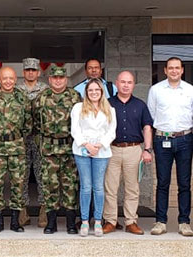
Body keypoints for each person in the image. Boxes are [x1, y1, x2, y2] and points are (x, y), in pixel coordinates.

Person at [146, 57, 193, 236]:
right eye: (171, 68)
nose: (174, 71)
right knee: (162, 182)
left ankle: (184, 222)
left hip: (185, 139)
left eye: (177, 68)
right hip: (162, 139)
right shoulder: (156, 90)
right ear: (165, 70)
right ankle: (160, 221)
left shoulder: (191, 91)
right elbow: (152, 114)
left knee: (184, 183)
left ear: (182, 70)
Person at [32, 65, 82, 234]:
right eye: (55, 78)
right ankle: (51, 223)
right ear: (50, 79)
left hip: (69, 148)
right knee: (50, 185)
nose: (58, 80)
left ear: (66, 79)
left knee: (70, 186)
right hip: (49, 149)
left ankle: (69, 223)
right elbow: (35, 124)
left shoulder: (75, 97)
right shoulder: (41, 98)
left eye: (61, 78)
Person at [104, 70, 153, 235]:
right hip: (111, 150)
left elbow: (147, 127)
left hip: (134, 150)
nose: (126, 85)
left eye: (129, 82)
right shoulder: (107, 104)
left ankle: (131, 221)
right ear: (116, 83)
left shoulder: (140, 105)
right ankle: (110, 221)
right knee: (110, 188)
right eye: (123, 82)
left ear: (133, 85)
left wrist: (147, 149)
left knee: (132, 188)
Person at [0, 66, 31, 233]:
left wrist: (17, 137)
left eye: (11, 78)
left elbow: (28, 124)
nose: (8, 81)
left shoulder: (22, 98)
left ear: (16, 79)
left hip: (17, 147)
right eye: (4, 78)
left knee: (17, 185)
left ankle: (15, 221)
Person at [71, 78, 117, 237]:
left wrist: (99, 145)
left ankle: (98, 220)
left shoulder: (110, 109)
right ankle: (84, 221)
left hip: (101, 152)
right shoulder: (78, 107)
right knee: (86, 186)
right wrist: (86, 144)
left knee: (98, 187)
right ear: (86, 92)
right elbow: (75, 130)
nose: (93, 93)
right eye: (90, 90)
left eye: (97, 90)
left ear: (102, 91)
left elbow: (112, 131)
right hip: (82, 150)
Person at [21, 57, 49, 227]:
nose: (31, 73)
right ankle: (22, 211)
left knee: (42, 175)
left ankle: (43, 211)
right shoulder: (17, 90)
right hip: (22, 139)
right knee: (22, 175)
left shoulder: (46, 90)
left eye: (33, 70)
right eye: (28, 70)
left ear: (38, 72)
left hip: (40, 138)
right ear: (23, 72)